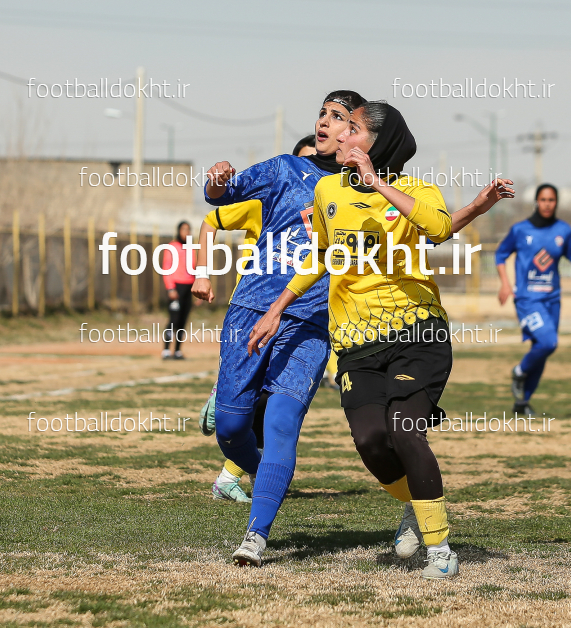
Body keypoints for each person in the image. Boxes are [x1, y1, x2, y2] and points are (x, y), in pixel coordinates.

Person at [249, 100, 515, 580]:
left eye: (352, 128)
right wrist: (277, 308)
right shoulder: (328, 190)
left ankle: (440, 550)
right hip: (355, 342)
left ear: (378, 143)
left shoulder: (415, 189)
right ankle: (416, 504)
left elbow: (439, 228)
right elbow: (322, 254)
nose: (341, 135)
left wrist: (377, 182)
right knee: (371, 441)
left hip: (417, 333)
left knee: (405, 429)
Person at [204, 91, 366, 566]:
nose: (324, 123)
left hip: (311, 322)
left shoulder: (367, 189)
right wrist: (218, 180)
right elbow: (221, 197)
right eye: (322, 114)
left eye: (338, 117)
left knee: (280, 424)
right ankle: (268, 476)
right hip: (250, 309)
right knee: (231, 427)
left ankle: (256, 534)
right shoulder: (283, 169)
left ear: (357, 132)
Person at [194, 135, 317, 504]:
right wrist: (202, 272)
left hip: (303, 313)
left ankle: (235, 474)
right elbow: (210, 219)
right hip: (254, 310)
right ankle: (227, 400)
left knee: (278, 405)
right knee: (259, 405)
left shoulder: (333, 203)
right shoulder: (268, 197)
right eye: (306, 161)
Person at [496, 183, 571, 415]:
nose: (547, 204)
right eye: (543, 199)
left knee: (542, 350)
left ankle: (522, 402)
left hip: (552, 300)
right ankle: (519, 371)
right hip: (528, 300)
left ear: (556, 203)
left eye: (551, 200)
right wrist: (505, 283)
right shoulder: (520, 230)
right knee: (548, 343)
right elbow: (500, 254)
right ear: (536, 202)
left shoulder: (563, 230)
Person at [162, 221, 196, 360]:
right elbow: (166, 268)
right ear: (178, 231)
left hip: (189, 287)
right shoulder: (172, 247)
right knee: (173, 320)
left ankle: (177, 351)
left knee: (183, 320)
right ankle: (166, 350)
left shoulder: (191, 248)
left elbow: (195, 268)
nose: (186, 232)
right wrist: (170, 288)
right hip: (176, 287)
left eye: (188, 229)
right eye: (184, 229)